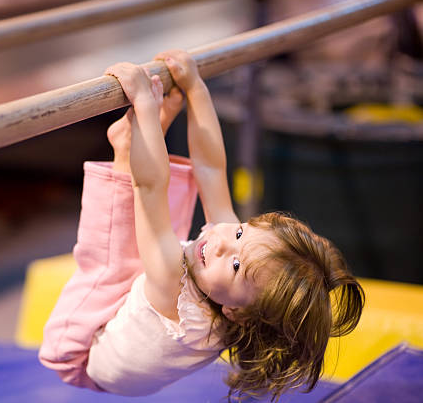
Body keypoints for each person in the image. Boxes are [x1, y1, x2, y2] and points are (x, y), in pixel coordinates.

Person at [39, 50, 364, 401]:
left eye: (237, 265)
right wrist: (196, 87)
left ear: (236, 313)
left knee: (124, 256)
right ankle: (132, 144)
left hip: (80, 353)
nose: (225, 243)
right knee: (175, 239)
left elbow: (149, 187)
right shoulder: (239, 287)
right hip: (135, 329)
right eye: (240, 232)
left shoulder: (176, 298)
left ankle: (129, 149)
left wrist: (145, 104)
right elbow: (211, 167)